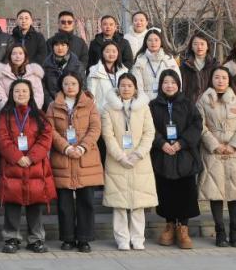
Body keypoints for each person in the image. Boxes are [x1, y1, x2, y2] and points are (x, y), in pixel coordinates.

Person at [198, 66, 236, 248]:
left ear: (229, 80)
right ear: (211, 79)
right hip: (213, 152)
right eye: (217, 77)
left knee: (234, 192)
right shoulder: (203, 100)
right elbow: (200, 126)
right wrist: (215, 145)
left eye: (224, 77)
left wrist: (233, 145)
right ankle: (220, 232)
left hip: (235, 153)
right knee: (215, 192)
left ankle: (235, 232)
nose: (220, 81)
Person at [0, 79, 55, 254]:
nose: (20, 94)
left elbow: (46, 138)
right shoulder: (5, 116)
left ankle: (36, 239)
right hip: (12, 166)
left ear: (30, 94)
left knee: (35, 204)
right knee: (12, 204)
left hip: (35, 167)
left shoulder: (39, 116)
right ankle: (11, 238)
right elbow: (2, 139)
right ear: (11, 94)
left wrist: (30, 157)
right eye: (17, 91)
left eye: (24, 91)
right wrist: (17, 157)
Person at [46, 71, 102, 253]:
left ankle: (84, 239)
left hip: (86, 158)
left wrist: (83, 147)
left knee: (86, 201)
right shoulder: (53, 106)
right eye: (66, 84)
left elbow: (95, 128)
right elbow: (50, 130)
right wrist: (66, 148)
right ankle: (68, 238)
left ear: (79, 85)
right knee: (64, 203)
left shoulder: (90, 104)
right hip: (63, 158)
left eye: (73, 83)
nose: (70, 87)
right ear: (61, 86)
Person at [101, 73, 157, 251]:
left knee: (138, 204)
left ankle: (138, 238)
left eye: (129, 86)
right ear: (118, 88)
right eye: (123, 85)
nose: (126, 89)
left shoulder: (144, 107)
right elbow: (107, 135)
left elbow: (149, 133)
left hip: (140, 161)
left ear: (135, 88)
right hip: (117, 160)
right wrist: (120, 156)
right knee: (119, 204)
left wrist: (138, 154)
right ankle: (122, 239)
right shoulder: (108, 108)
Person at [149, 70, 202, 249]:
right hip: (162, 154)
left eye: (173, 82)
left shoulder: (187, 103)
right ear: (160, 85)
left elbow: (197, 124)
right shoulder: (153, 105)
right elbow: (148, 127)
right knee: (166, 191)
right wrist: (161, 143)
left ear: (178, 84)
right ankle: (170, 225)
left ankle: (183, 228)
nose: (169, 85)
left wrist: (181, 143)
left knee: (185, 191)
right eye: (165, 82)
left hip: (184, 154)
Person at [0, 43, 44, 110]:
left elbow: (39, 95)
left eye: (20, 53)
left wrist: (30, 110)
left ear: (25, 56)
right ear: (10, 56)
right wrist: (11, 111)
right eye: (14, 54)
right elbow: (0, 96)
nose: (17, 56)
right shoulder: (2, 74)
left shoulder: (34, 73)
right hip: (9, 112)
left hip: (31, 112)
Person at [132, 29, 181, 98]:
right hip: (146, 100)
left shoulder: (169, 59)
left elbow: (177, 82)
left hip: (167, 99)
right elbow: (137, 86)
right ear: (146, 42)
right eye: (150, 40)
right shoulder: (140, 60)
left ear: (161, 41)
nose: (153, 43)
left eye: (156, 40)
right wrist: (143, 101)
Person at [42, 33, 85, 107]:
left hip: (74, 105)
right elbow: (43, 89)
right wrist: (51, 104)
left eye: (63, 45)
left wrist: (75, 104)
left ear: (68, 47)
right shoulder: (46, 66)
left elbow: (83, 87)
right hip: (52, 106)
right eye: (56, 45)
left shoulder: (77, 65)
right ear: (52, 47)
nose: (60, 48)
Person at [86, 42, 128, 115]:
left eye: (114, 51)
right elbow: (91, 95)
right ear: (102, 53)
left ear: (118, 53)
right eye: (107, 51)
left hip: (121, 113)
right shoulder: (94, 71)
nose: (111, 54)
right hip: (102, 112)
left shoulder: (124, 71)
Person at [179, 32, 219, 103]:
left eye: (202, 44)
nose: (199, 47)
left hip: (210, 105)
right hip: (190, 106)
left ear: (207, 46)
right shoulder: (185, 66)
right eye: (195, 44)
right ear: (191, 47)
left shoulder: (214, 65)